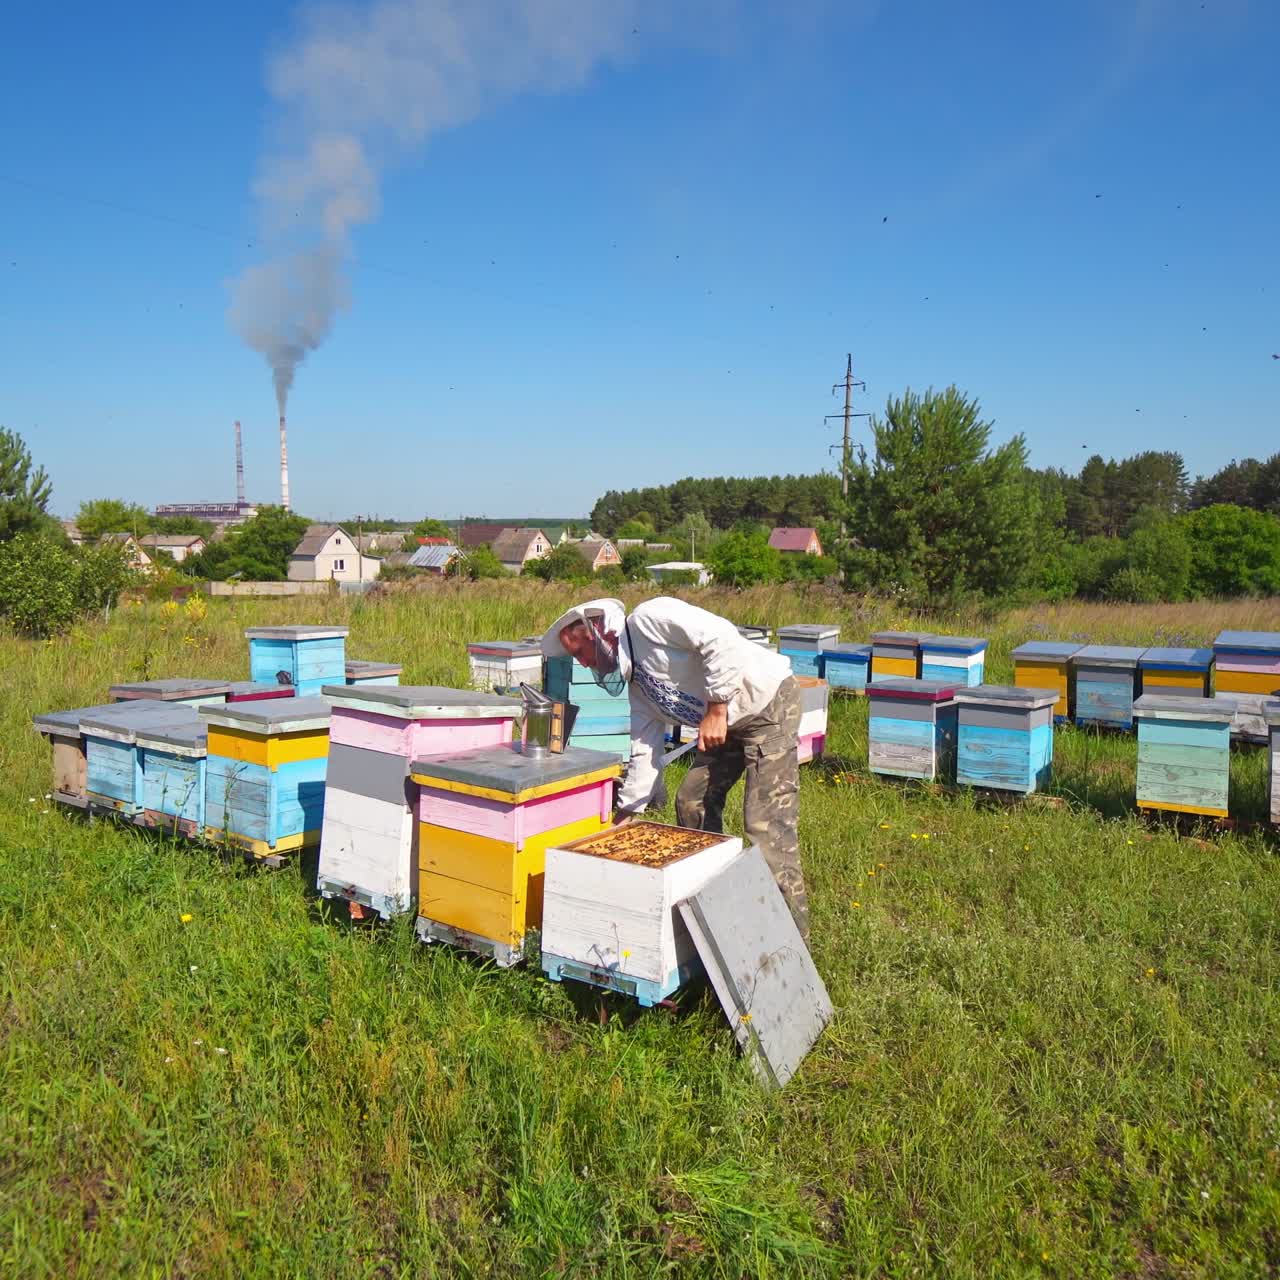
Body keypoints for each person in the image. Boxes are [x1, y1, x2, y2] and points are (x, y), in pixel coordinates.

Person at [541, 596, 809, 939]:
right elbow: (645, 753)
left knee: (764, 824)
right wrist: (627, 810)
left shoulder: (651, 619)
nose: (582, 662)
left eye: (581, 652)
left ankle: (790, 941)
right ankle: (715, 902)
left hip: (767, 705)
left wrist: (715, 708)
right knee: (691, 801)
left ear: (601, 634)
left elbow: (720, 637)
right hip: (727, 719)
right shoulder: (639, 690)